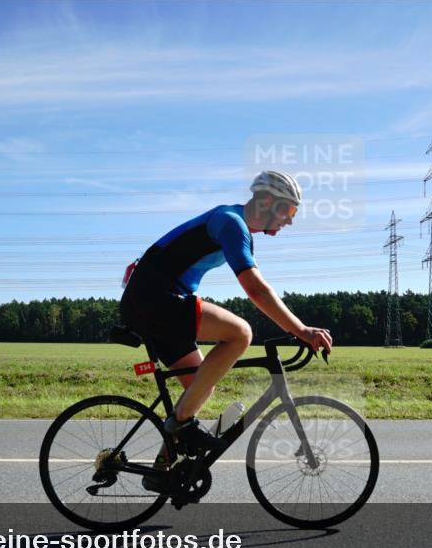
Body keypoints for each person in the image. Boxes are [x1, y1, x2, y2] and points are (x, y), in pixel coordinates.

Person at [119, 170, 333, 491]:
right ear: (267, 201)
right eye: (289, 210)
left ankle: (162, 469)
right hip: (156, 298)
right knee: (240, 333)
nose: (290, 220)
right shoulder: (230, 222)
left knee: (200, 386)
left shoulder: (235, 226)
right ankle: (180, 424)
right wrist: (301, 329)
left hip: (152, 300)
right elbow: (256, 290)